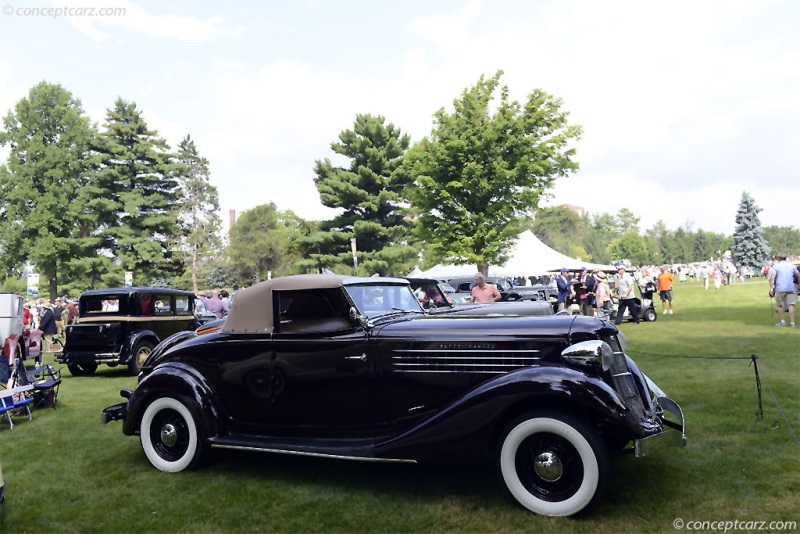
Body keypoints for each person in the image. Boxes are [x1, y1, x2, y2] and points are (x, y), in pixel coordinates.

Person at [769, 253, 800, 327]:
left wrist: (771, 288)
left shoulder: (776, 267)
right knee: (791, 305)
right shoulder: (792, 266)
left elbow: (772, 278)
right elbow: (799, 276)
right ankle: (792, 323)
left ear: (778, 258)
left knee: (780, 305)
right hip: (791, 288)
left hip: (780, 288)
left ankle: (783, 321)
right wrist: (799, 285)